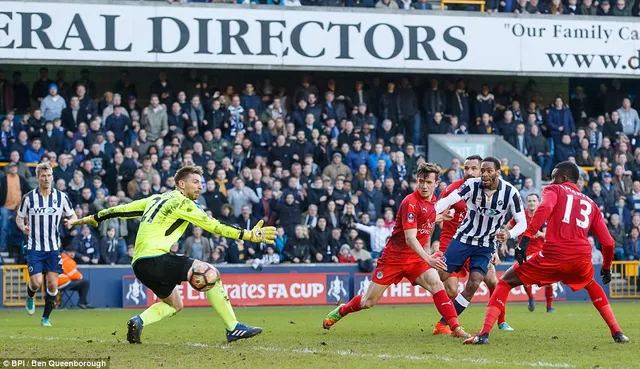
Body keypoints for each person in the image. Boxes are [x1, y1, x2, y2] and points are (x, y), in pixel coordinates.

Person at [69, 165, 276, 343]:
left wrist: (90, 218)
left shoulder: (154, 199)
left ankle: (138, 321)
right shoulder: (183, 203)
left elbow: (119, 210)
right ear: (181, 184)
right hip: (157, 258)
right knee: (210, 274)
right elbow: (215, 226)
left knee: (175, 304)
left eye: (201, 182)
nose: (200, 186)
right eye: (195, 182)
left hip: (139, 264)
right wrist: (248, 235)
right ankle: (233, 327)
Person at [464, 161, 629, 344]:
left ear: (563, 178)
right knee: (591, 284)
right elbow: (608, 242)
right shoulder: (591, 204)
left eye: (553, 177)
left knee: (505, 282)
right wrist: (606, 267)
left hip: (553, 256)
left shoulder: (555, 190)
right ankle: (617, 332)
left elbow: (545, 208)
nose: (550, 181)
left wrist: (525, 239)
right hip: (581, 259)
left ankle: (484, 334)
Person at [322, 163, 469, 338]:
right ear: (417, 180)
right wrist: (429, 259)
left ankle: (456, 328)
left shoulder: (433, 202)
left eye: (428, 182)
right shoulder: (410, 203)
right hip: (394, 259)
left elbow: (425, 221)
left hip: (415, 259)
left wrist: (440, 217)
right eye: (421, 181)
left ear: (436, 184)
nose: (424, 185)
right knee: (368, 302)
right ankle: (342, 310)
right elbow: (410, 238)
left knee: (436, 285)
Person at [434, 156, 527, 332]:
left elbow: (522, 222)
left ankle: (443, 323)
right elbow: (448, 200)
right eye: (482, 171)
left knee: (475, 282)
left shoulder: (511, 192)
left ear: (498, 172)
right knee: (441, 277)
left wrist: (509, 233)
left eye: (488, 171)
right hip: (463, 238)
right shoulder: (471, 185)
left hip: (486, 244)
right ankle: (430, 262)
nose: (484, 175)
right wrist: (430, 213)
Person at [16, 163, 78, 326]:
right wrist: (24, 227)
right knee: (36, 282)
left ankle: (45, 318)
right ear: (37, 178)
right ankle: (30, 296)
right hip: (34, 247)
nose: (46, 178)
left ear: (52, 176)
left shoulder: (61, 197)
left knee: (52, 284)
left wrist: (71, 223)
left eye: (49, 175)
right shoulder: (29, 198)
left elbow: (73, 215)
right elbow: (19, 217)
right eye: (43, 176)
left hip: (53, 248)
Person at [504, 193, 554, 313]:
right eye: (530, 201)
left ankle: (549, 306)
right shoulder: (521, 216)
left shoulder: (542, 216)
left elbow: (547, 234)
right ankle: (531, 297)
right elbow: (507, 227)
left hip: (541, 253)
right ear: (527, 203)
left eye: (534, 200)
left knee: (549, 282)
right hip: (524, 252)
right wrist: (505, 241)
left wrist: (539, 234)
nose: (532, 203)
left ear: (538, 202)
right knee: (525, 280)